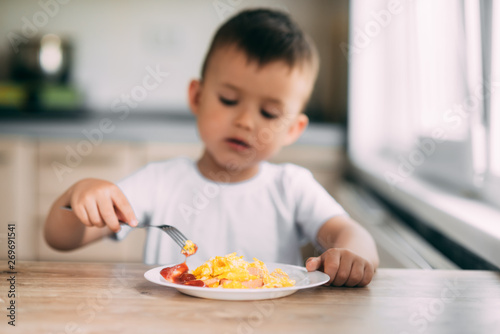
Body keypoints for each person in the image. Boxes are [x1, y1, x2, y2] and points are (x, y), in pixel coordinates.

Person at [44, 8, 379, 287]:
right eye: (229, 100)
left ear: (293, 129)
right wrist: (79, 194)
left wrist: (351, 255)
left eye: (269, 113)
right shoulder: (159, 182)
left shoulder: (292, 187)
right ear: (197, 97)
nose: (246, 121)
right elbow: (59, 238)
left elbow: (349, 233)